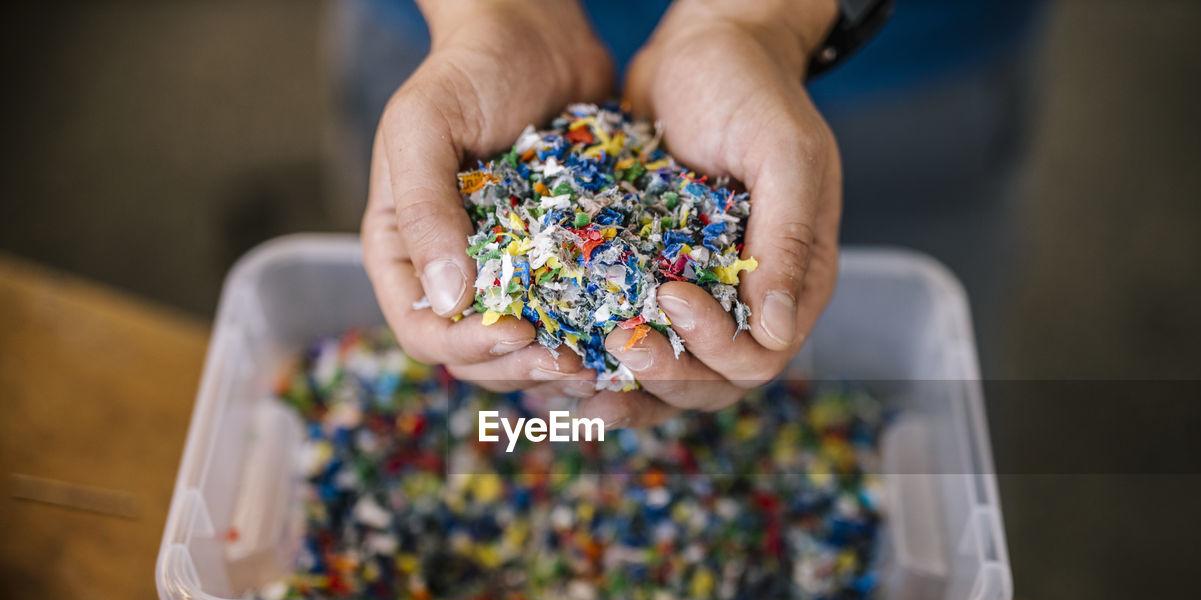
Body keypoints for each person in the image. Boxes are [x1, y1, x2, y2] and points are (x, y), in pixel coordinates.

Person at [333, 0, 1047, 428]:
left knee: (901, 392)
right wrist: (488, 15)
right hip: (448, 28)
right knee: (461, 374)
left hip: (892, 67)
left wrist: (758, 19)